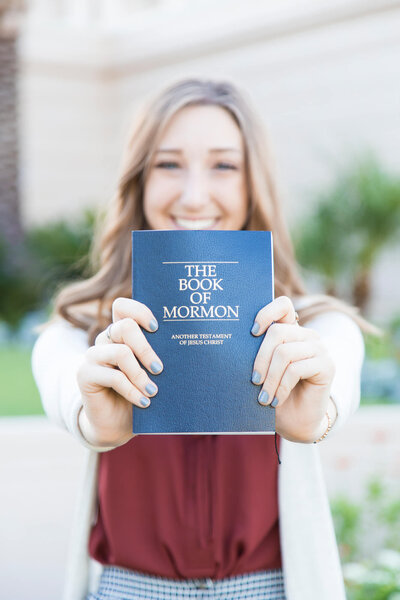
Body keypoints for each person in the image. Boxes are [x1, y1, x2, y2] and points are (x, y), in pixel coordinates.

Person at [32, 78, 372, 600]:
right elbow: (64, 387)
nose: (194, 196)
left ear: (253, 183)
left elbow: (339, 376)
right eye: (168, 164)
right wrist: (93, 418)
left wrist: (317, 414)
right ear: (139, 180)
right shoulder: (83, 333)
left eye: (223, 165)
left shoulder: (312, 329)